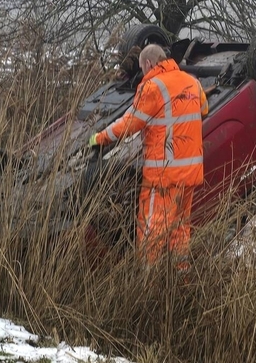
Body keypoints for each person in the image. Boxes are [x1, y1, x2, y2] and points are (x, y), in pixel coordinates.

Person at [89, 43, 208, 267]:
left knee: (152, 230)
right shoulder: (192, 81)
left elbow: (128, 125)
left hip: (163, 176)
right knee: (180, 229)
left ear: (148, 63)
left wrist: (99, 138)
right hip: (190, 173)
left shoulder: (153, 87)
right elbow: (203, 109)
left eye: (143, 69)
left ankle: (147, 282)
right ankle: (179, 278)